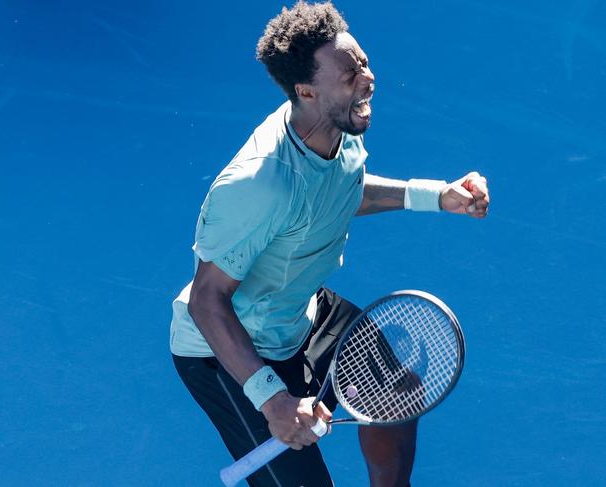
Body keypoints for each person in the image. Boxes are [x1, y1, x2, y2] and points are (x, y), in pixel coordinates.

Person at [170, 2, 489, 486]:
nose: (367, 78)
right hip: (227, 346)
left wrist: (435, 197)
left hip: (302, 309)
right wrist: (273, 399)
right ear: (306, 91)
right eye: (349, 73)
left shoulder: (337, 122)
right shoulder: (258, 184)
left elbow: (340, 189)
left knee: (396, 395)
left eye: (362, 62)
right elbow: (207, 301)